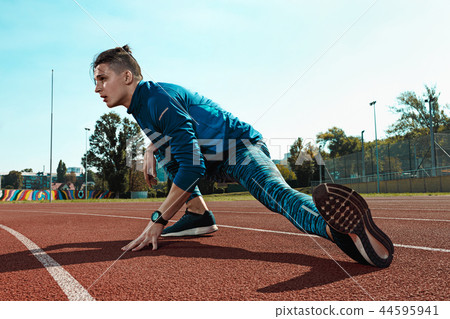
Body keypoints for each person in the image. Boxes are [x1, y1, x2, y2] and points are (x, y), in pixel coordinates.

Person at [92, 45, 394, 268]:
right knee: (168, 152)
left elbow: (192, 165)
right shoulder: (142, 106)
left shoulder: (158, 98)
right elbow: (180, 140)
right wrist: (151, 147)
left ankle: (337, 230)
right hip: (213, 159)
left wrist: (158, 219)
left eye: (103, 79)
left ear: (128, 76)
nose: (97, 88)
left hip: (239, 147)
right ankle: (199, 215)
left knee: (274, 194)